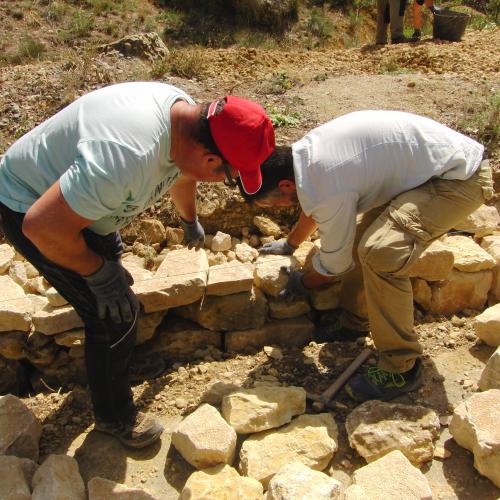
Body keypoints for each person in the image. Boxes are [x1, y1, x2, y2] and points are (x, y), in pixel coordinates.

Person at [0, 82, 275, 447]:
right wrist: (97, 271)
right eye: (228, 176)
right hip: (34, 208)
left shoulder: (188, 119)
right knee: (113, 316)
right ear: (211, 159)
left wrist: (188, 220)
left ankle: (115, 368)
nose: (225, 182)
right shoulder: (124, 158)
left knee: (116, 302)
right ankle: (114, 416)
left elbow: (182, 172)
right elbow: (42, 226)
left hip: (81, 206)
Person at [239, 110, 492, 403]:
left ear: (284, 186)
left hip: (460, 177)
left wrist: (302, 283)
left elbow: (334, 264)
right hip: (423, 175)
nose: (277, 208)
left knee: (381, 252)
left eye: (272, 203)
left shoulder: (325, 180)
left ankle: (402, 367)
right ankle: (355, 321)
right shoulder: (305, 159)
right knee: (363, 242)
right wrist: (291, 243)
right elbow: (314, 202)